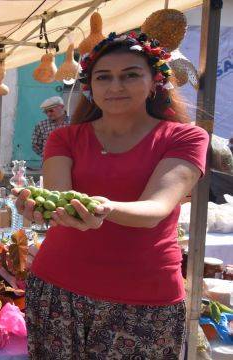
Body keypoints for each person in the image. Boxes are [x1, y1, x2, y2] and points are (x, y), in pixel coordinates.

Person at [15, 32, 208, 359]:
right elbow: (60, 198)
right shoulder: (65, 138)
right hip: (58, 288)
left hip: (143, 297)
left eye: (130, 75)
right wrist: (37, 207)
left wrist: (101, 207)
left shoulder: (185, 137)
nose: (115, 86)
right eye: (104, 77)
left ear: (154, 82)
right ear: (90, 86)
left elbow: (156, 208)